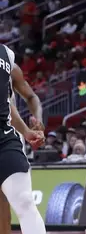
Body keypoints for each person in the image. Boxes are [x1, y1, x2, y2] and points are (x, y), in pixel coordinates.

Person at [0, 43, 46, 234]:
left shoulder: (6, 55)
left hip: (4, 138)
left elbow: (17, 100)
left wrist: (30, 129)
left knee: (25, 200)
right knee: (2, 213)